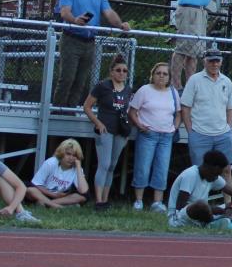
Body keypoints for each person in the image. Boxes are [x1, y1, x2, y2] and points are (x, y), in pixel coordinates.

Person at [53, 0, 130, 108]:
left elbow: (109, 13)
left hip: (90, 43)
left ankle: (70, 112)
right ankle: (56, 111)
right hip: (71, 39)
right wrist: (75, 20)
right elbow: (64, 12)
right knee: (67, 78)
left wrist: (121, 24)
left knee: (80, 81)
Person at [128, 63, 181, 212]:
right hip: (147, 135)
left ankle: (157, 202)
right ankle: (139, 200)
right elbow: (132, 111)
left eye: (165, 74)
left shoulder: (173, 92)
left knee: (162, 169)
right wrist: (139, 125)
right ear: (153, 75)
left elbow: (178, 113)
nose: (161, 76)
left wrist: (174, 128)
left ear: (169, 77)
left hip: (166, 137)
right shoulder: (144, 90)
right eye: (158, 73)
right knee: (143, 167)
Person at [83, 55, 132, 210]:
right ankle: (98, 200)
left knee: (112, 165)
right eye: (118, 70)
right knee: (104, 164)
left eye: (124, 71)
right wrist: (98, 122)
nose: (121, 73)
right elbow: (87, 107)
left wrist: (127, 131)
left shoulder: (128, 89)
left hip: (120, 131)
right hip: (105, 129)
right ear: (111, 72)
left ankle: (105, 199)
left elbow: (127, 110)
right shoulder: (103, 86)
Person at [179, 47, 232, 166]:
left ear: (221, 62)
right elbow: (185, 107)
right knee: (200, 169)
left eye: (217, 61)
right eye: (211, 61)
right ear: (204, 61)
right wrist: (191, 132)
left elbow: (229, 108)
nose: (214, 64)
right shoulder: (194, 80)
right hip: (199, 134)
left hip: (223, 135)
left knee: (226, 169)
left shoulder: (227, 81)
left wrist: (228, 128)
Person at [166, 149, 232, 229]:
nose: (216, 178)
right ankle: (212, 224)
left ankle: (226, 222)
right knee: (201, 205)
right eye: (216, 174)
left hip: (203, 215)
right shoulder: (190, 175)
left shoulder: (212, 176)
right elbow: (180, 206)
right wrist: (212, 209)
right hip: (180, 218)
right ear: (208, 167)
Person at [26, 140, 90, 209]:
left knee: (82, 197)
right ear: (62, 153)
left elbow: (83, 191)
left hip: (61, 197)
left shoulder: (77, 169)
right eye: (68, 154)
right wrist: (53, 195)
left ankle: (46, 203)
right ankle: (59, 207)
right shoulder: (51, 162)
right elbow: (35, 183)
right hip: (44, 192)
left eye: (74, 155)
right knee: (30, 190)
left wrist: (78, 166)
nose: (71, 158)